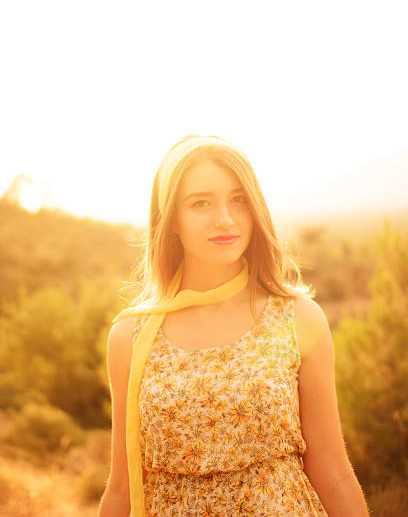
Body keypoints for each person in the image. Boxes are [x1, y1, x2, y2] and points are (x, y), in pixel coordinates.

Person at [97, 134, 370, 517]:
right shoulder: (130, 337)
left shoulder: (298, 319)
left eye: (238, 199)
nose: (224, 219)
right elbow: (121, 489)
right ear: (171, 219)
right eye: (201, 203)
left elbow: (334, 472)